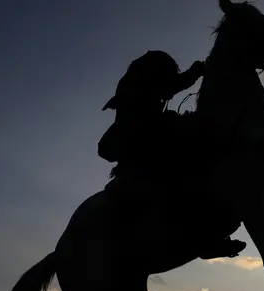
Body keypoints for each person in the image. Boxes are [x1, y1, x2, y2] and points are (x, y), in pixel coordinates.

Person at [99, 50, 246, 260]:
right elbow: (167, 90)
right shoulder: (136, 94)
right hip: (139, 147)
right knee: (181, 175)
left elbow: (167, 89)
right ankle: (205, 239)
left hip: (144, 141)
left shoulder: (141, 90)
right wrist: (193, 74)